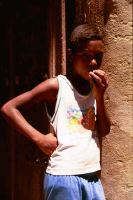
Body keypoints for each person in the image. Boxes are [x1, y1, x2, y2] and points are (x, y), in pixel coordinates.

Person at [1, 24, 111, 200]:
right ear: (70, 55)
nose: (94, 63)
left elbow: (104, 130)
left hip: (91, 175)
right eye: (86, 56)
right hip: (63, 175)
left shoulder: (96, 86)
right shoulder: (57, 86)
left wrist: (99, 96)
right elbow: (8, 108)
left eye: (98, 57)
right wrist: (39, 139)